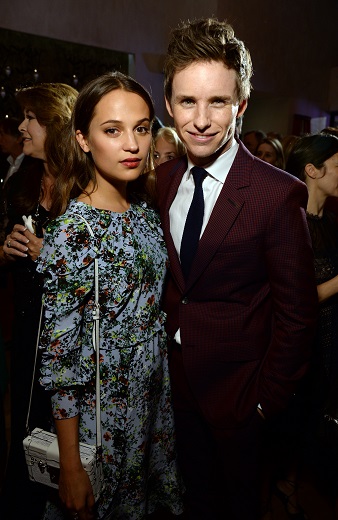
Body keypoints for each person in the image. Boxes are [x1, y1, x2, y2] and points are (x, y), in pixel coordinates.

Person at [155, 17, 318, 520]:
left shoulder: (276, 193)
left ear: (240, 105)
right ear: (169, 104)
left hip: (242, 403)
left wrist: (264, 405)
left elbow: (298, 315)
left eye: (218, 102)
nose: (201, 120)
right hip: (174, 395)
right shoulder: (160, 181)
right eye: (188, 102)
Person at [36, 72, 183, 520]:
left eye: (141, 128)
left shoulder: (143, 212)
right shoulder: (74, 232)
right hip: (103, 414)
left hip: (152, 401)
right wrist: (71, 464)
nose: (133, 145)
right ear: (83, 139)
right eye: (112, 130)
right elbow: (60, 362)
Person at [0, 83, 78, 520]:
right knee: (25, 435)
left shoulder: (87, 186)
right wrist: (6, 250)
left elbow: (99, 276)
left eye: (31, 117)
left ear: (57, 125)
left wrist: (45, 251)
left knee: (66, 445)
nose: (21, 126)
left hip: (70, 336)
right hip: (28, 331)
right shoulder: (21, 181)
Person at [285, 133, 338, 516]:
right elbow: (295, 302)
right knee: (299, 427)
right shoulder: (292, 222)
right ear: (312, 171)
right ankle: (288, 489)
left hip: (333, 340)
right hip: (306, 345)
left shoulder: (333, 221)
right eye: (337, 166)